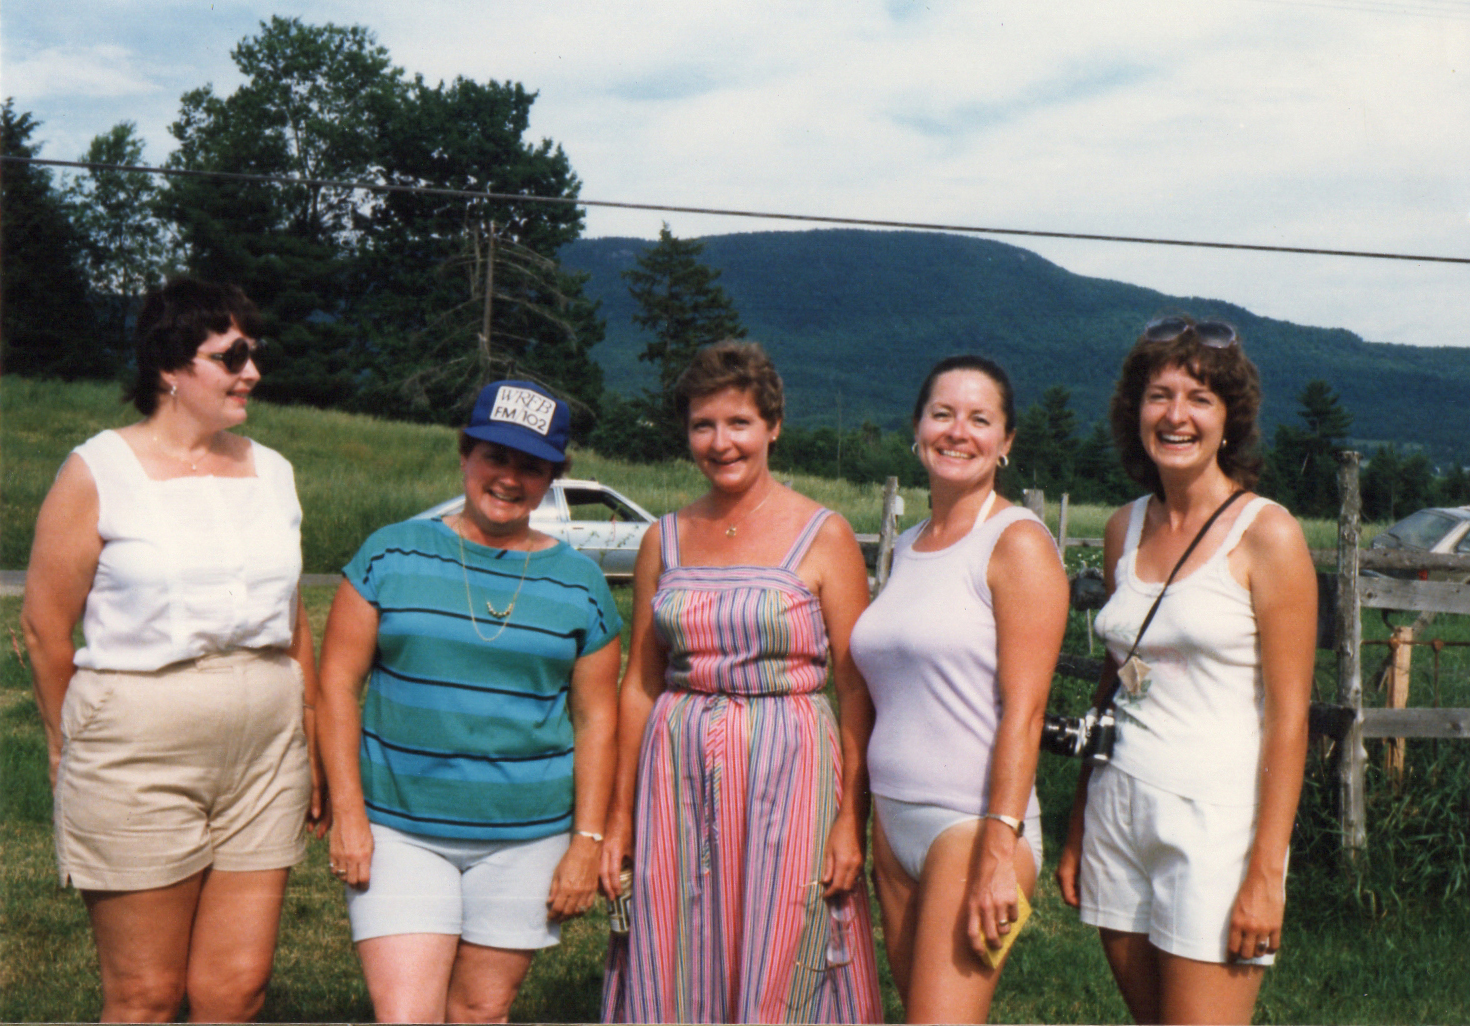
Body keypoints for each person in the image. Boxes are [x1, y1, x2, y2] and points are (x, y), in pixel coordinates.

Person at [21, 277, 321, 1022]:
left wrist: (309, 738)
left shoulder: (273, 471)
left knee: (235, 990)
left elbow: (293, 619)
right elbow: (43, 629)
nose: (252, 370)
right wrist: (68, 738)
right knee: (146, 994)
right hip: (136, 752)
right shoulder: (98, 470)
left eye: (254, 352)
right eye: (232, 355)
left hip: (265, 753)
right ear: (168, 368)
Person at [316, 380, 622, 1024]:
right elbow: (338, 685)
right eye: (495, 457)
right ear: (465, 455)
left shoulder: (581, 583)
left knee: (481, 1012)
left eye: (531, 467)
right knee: (407, 1015)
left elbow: (597, 719)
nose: (509, 478)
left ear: (553, 478)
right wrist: (348, 814)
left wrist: (585, 842)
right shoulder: (389, 552)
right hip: (399, 830)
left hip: (528, 837)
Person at [600, 340, 882, 1024]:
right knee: (674, 940)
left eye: (739, 423)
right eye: (703, 425)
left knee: (786, 940)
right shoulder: (662, 538)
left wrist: (852, 819)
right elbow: (638, 684)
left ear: (773, 426)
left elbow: (856, 688)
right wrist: (619, 817)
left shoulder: (824, 534)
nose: (720, 442)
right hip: (676, 768)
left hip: (790, 766)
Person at [1055, 316, 1316, 1025]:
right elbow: (1115, 681)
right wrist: (1079, 825)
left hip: (1217, 828)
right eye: (1159, 395)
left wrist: (1266, 873)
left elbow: (1290, 718)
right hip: (1121, 810)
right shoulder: (1124, 526)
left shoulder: (1268, 534)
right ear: (1134, 411)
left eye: (1199, 399)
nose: (1176, 415)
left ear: (1230, 419)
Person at [849, 354, 1069, 1022]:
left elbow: (1026, 714)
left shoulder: (1017, 544)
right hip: (893, 825)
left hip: (970, 828)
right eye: (942, 414)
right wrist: (855, 821)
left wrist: (1000, 852)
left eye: (980, 419)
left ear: (1006, 443)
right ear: (918, 429)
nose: (957, 431)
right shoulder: (909, 544)